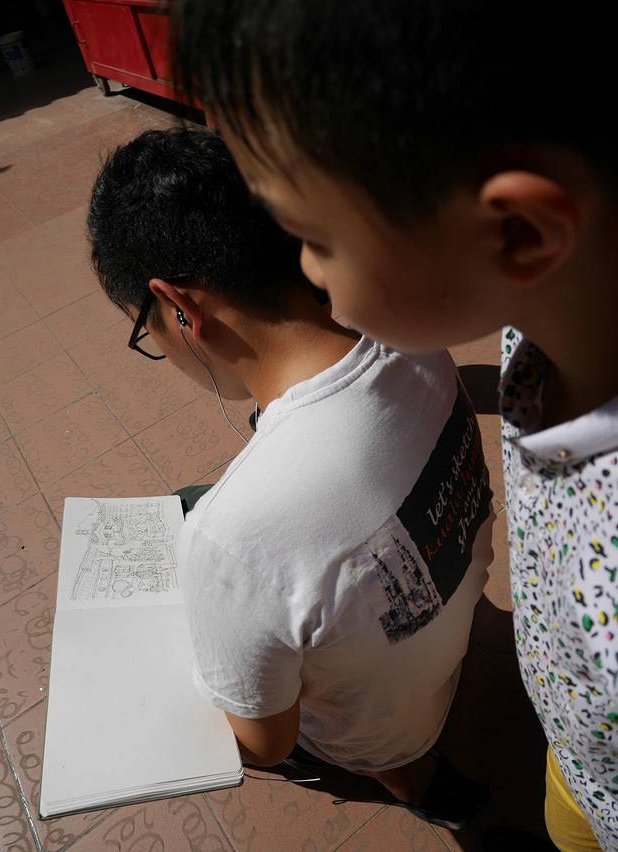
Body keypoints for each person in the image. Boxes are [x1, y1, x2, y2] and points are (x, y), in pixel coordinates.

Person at [172, 1, 618, 848]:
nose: (307, 273)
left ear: (516, 232)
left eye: (313, 236)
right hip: (570, 757)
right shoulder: (547, 331)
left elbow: (264, 738)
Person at [87, 126, 494, 830]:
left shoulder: (231, 540)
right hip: (455, 641)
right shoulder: (410, 333)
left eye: (143, 329)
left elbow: (264, 744)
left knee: (198, 536)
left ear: (179, 307)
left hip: (385, 729)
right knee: (199, 515)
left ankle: (402, 774)